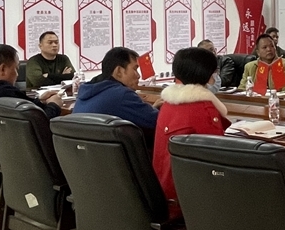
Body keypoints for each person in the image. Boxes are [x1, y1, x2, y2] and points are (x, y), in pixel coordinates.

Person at [153, 47, 231, 203]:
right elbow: (218, 157)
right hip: (191, 198)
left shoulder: (167, 104)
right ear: (209, 76)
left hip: (163, 190)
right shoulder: (204, 108)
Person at [72, 47, 161, 137]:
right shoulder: (123, 95)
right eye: (135, 69)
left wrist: (150, 108)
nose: (138, 75)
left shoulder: (84, 93)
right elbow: (160, 121)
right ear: (119, 71)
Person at [0, 44, 63, 119]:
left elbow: (27, 107)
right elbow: (39, 122)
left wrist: (40, 101)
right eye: (16, 69)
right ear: (3, 69)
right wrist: (54, 105)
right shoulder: (4, 92)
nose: (17, 75)